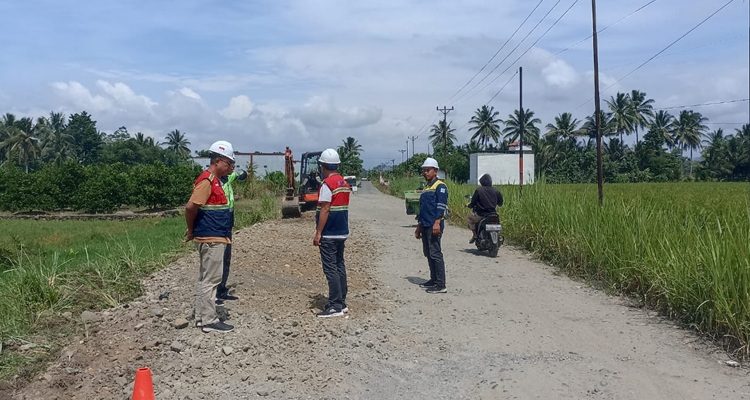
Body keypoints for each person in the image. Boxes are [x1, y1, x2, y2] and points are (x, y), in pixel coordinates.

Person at [185, 140, 236, 333]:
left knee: (206, 278)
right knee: (212, 280)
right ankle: (209, 320)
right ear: (218, 161)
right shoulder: (207, 181)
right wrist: (191, 230)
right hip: (211, 237)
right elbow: (191, 207)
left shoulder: (215, 180)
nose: (230, 167)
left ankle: (201, 317)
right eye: (228, 163)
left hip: (215, 236)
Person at [312, 148, 352, 317]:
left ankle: (335, 305)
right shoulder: (343, 183)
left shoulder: (327, 184)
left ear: (323, 166)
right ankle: (341, 302)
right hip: (342, 232)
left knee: (331, 269)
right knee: (339, 266)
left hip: (329, 233)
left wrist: (318, 232)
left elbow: (325, 209)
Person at [414, 157, 448, 294]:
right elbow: (423, 208)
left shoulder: (440, 186)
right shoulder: (427, 187)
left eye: (428, 170)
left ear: (435, 171)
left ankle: (441, 284)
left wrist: (437, 222)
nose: (425, 172)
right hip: (425, 224)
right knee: (428, 253)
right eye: (424, 170)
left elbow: (441, 205)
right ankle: (433, 279)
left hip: (434, 224)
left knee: (435, 253)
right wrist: (419, 225)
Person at [216, 168, 248, 305]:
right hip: (218, 224)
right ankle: (213, 293)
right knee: (217, 259)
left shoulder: (227, 178)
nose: (231, 168)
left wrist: (243, 173)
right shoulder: (213, 182)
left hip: (228, 223)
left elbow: (241, 174)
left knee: (226, 258)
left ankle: (221, 290)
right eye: (228, 164)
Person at [467, 174, 504, 243]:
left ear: (482, 182)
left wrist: (469, 205)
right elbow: (500, 203)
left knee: (470, 218)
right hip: (493, 214)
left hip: (481, 215)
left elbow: (473, 203)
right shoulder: (496, 191)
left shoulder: (479, 190)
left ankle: (475, 235)